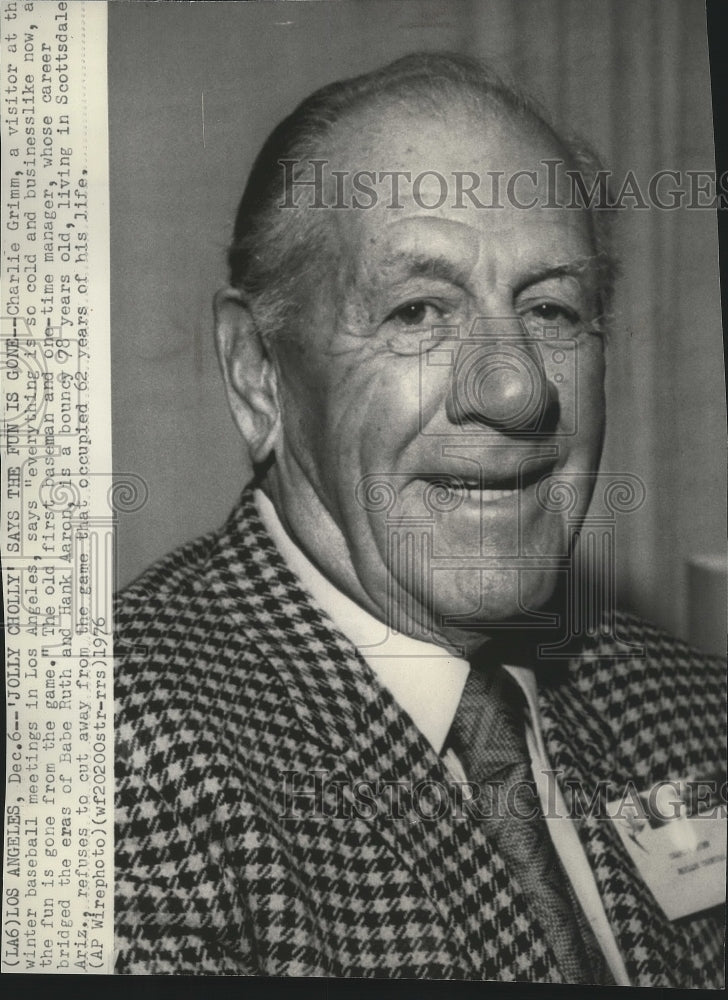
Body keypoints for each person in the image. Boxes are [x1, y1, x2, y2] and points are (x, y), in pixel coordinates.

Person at [114, 53, 724, 983]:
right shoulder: (122, 768)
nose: (516, 389)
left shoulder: (687, 705)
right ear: (257, 372)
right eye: (418, 311)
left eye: (554, 308)